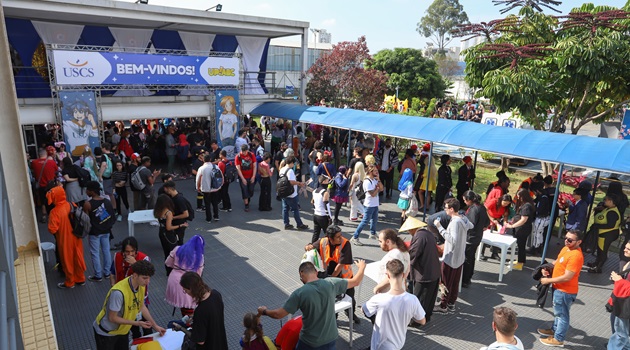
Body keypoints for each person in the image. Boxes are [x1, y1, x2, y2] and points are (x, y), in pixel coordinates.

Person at [256, 260, 366, 350]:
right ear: (316, 272)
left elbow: (278, 314)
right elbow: (356, 282)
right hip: (331, 338)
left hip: (310, 342)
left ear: (301, 274)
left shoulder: (300, 293)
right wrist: (362, 267)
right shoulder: (331, 283)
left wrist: (264, 311)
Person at [93, 260, 166, 350]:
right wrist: (137, 323)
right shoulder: (118, 293)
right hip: (107, 333)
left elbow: (142, 306)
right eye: (145, 278)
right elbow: (112, 318)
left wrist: (155, 326)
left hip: (123, 330)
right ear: (135, 275)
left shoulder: (141, 286)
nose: (147, 281)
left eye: (149, 278)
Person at [362, 259, 426, 349]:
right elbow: (422, 321)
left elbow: (364, 309)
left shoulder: (379, 299)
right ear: (403, 275)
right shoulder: (413, 300)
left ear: (388, 275)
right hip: (398, 344)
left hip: (380, 345)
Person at [305, 225, 361, 324]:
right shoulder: (323, 241)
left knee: (350, 297)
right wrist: (308, 246)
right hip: (329, 274)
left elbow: (341, 264)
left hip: (344, 277)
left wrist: (332, 279)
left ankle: (351, 313)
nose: (341, 238)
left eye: (341, 235)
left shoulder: (345, 243)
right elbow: (312, 246)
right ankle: (333, 317)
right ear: (330, 238)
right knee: (332, 300)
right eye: (338, 237)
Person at [538, 229, 584, 347]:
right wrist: (547, 268)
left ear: (579, 242)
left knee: (562, 315)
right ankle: (554, 330)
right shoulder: (566, 249)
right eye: (566, 238)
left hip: (565, 291)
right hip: (558, 288)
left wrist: (548, 280)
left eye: (570, 240)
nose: (566, 241)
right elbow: (557, 262)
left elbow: (567, 277)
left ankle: (558, 339)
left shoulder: (576, 256)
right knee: (558, 313)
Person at [434, 198, 473, 313]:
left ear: (451, 209)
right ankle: (451, 304)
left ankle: (443, 306)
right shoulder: (462, 219)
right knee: (455, 282)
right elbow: (471, 225)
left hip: (450, 257)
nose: (445, 210)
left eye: (446, 208)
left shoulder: (455, 222)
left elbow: (452, 240)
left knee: (446, 282)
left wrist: (439, 227)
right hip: (459, 257)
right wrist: (463, 218)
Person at [401, 217, 441, 324]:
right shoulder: (428, 234)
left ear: (413, 229)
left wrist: (404, 268)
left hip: (425, 274)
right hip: (434, 271)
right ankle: (426, 317)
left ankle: (416, 321)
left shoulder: (419, 237)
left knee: (420, 299)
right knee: (429, 299)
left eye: (409, 230)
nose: (409, 232)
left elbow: (413, 254)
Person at [47, 186, 87, 289]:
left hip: (64, 240)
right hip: (77, 236)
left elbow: (52, 229)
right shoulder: (71, 204)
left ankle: (70, 282)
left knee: (67, 260)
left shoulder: (54, 212)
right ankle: (80, 278)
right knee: (78, 257)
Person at [180, 271, 229, 350]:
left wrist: (184, 330)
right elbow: (212, 316)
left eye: (185, 290)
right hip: (220, 342)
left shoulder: (200, 311)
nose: (185, 293)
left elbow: (200, 341)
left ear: (191, 289)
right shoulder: (216, 294)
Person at [165, 235, 205, 317]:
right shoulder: (199, 256)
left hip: (174, 280)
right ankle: (187, 326)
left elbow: (167, 263)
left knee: (182, 305)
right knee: (189, 309)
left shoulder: (177, 249)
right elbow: (198, 274)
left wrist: (177, 267)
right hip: (189, 283)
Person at [84, 181, 116, 283]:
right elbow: (112, 216)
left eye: (87, 189)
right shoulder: (106, 201)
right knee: (106, 251)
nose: (86, 191)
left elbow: (86, 220)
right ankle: (107, 273)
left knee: (95, 253)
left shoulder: (88, 204)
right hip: (106, 231)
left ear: (92, 192)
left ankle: (98, 275)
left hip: (94, 233)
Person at [153, 194, 188, 275]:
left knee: (166, 252)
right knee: (174, 252)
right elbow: (169, 227)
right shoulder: (168, 213)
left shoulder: (158, 211)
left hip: (161, 233)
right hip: (169, 235)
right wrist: (180, 225)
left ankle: (168, 271)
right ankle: (175, 270)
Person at [587, 194, 621, 273]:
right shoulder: (608, 209)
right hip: (603, 234)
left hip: (607, 234)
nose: (604, 201)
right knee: (599, 250)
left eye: (606, 200)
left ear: (611, 201)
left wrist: (597, 226)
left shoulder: (612, 212)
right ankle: (596, 263)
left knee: (602, 251)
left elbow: (610, 225)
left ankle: (598, 268)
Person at [462, 190, 490, 288]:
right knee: (471, 257)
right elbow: (487, 223)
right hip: (477, 237)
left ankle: (465, 279)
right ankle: (468, 277)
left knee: (467, 259)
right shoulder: (482, 207)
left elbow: (471, 224)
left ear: (469, 200)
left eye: (465, 200)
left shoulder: (473, 209)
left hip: (470, 238)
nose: (465, 202)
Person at [351, 164, 384, 246]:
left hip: (375, 204)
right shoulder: (367, 181)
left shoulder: (375, 179)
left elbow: (382, 188)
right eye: (375, 171)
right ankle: (355, 237)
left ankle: (372, 233)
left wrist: (379, 180)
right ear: (370, 172)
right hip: (369, 205)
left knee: (374, 219)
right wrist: (377, 188)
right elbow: (372, 194)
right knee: (365, 221)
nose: (377, 172)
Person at [504, 189, 535, 270]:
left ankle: (520, 263)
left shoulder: (527, 206)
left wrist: (512, 226)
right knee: (520, 245)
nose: (518, 198)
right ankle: (520, 260)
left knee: (521, 245)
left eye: (519, 197)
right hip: (521, 228)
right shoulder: (525, 204)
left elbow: (523, 220)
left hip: (523, 229)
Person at [608, 241, 630, 350]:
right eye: (625, 247)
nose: (624, 250)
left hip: (626, 307)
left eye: (628, 249)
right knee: (620, 332)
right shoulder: (628, 263)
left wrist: (620, 281)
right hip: (621, 303)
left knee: (621, 335)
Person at [374, 228, 410, 294]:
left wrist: (377, 287)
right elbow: (407, 271)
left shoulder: (393, 255)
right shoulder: (405, 252)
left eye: (380, 241)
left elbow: (392, 276)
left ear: (388, 241)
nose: (379, 244)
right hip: (400, 289)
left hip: (388, 291)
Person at [280, 155, 308, 230]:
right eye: (293, 163)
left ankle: (286, 224)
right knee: (295, 209)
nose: (294, 165)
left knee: (285, 209)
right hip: (291, 194)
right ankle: (299, 224)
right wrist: (299, 183)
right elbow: (291, 182)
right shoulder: (290, 171)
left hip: (284, 192)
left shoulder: (282, 169)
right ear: (291, 163)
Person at [32, 148, 58, 222]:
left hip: (41, 185)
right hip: (51, 185)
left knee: (43, 200)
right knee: (53, 201)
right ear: (46, 154)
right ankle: (54, 215)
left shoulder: (34, 162)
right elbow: (56, 170)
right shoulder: (51, 162)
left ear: (38, 155)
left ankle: (44, 215)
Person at [196, 154, 223, 223]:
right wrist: (220, 185)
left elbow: (198, 179)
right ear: (210, 159)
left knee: (207, 204)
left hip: (206, 189)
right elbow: (221, 176)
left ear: (203, 160)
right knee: (215, 203)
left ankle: (208, 218)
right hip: (215, 188)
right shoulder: (216, 167)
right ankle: (216, 216)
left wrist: (198, 187)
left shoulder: (201, 168)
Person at [235, 144, 258, 212]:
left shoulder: (251, 155)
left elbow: (254, 166)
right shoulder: (238, 157)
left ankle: (248, 198)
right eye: (243, 151)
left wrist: (253, 176)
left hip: (251, 176)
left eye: (245, 151)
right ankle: (246, 205)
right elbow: (238, 168)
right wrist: (242, 178)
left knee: (251, 190)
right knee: (244, 191)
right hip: (243, 177)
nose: (244, 153)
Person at [311, 175, 333, 243]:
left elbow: (312, 202)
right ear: (323, 182)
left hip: (316, 215)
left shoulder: (314, 191)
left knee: (316, 233)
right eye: (327, 181)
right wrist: (330, 217)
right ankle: (328, 248)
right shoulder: (325, 193)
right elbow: (326, 205)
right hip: (323, 216)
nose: (328, 182)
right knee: (328, 234)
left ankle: (312, 248)